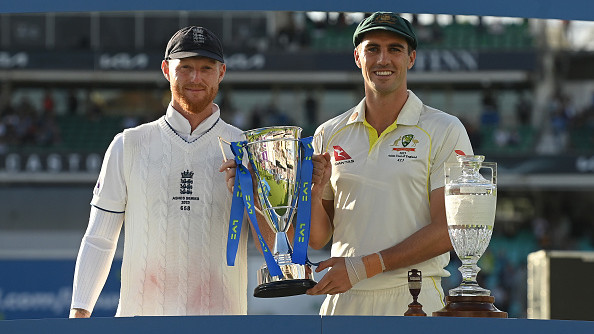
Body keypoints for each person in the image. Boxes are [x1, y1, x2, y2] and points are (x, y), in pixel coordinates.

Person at [70, 26, 251, 317]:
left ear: (221, 72)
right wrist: (80, 311)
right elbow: (99, 238)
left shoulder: (247, 149)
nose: (196, 78)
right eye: (186, 67)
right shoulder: (128, 144)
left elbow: (275, 240)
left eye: (206, 68)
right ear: (166, 69)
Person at [305, 12, 474, 316]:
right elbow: (318, 237)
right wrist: (314, 194)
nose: (383, 59)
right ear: (358, 57)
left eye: (395, 49)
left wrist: (363, 268)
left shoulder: (444, 129)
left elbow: (449, 230)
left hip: (414, 298)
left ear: (411, 58)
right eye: (373, 49)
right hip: (343, 300)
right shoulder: (328, 133)